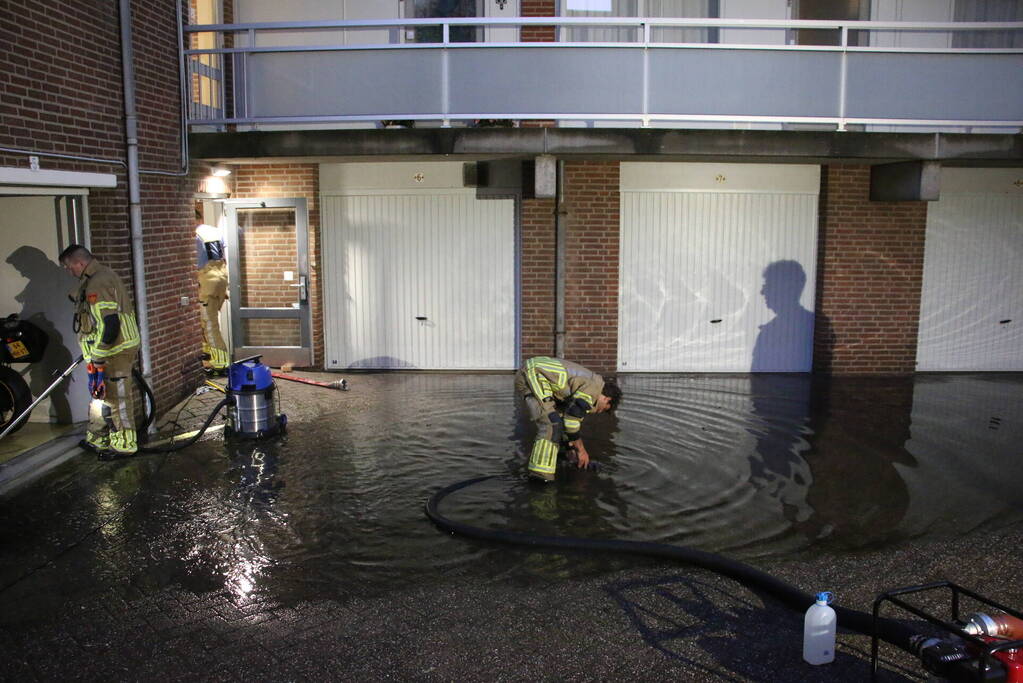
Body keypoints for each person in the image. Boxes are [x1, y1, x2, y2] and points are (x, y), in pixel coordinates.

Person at [59, 245, 141, 458]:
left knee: (117, 399)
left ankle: (124, 445)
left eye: (69, 267)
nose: (69, 272)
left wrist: (98, 355)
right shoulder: (94, 278)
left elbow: (110, 324)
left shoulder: (99, 281)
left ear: (79, 263)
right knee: (100, 395)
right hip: (102, 352)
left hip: (113, 351)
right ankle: (98, 438)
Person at [515, 356, 622, 482]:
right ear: (606, 399)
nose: (598, 411)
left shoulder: (588, 385)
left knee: (557, 419)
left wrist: (570, 448)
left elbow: (566, 419)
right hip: (534, 372)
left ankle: (560, 459)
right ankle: (540, 478)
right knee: (551, 423)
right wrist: (581, 451)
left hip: (534, 375)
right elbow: (572, 420)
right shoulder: (594, 388)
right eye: (604, 408)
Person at [195, 207, 230, 374]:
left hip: (207, 282)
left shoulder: (195, 236)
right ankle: (208, 357)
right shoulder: (214, 231)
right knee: (206, 321)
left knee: (209, 324)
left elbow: (197, 263)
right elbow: (222, 256)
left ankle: (221, 363)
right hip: (221, 279)